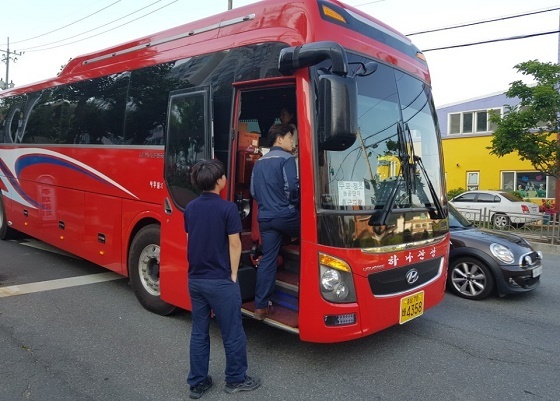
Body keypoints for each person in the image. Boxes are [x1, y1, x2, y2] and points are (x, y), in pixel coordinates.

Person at [184, 159, 261, 399]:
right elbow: (235, 243)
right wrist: (234, 274)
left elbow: (191, 239)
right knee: (232, 332)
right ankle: (236, 379)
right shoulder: (227, 208)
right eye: (224, 176)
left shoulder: (190, 208)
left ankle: (197, 383)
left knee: (199, 331)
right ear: (219, 181)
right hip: (220, 280)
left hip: (196, 279)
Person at [250, 124, 300, 320]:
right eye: (290, 138)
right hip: (285, 216)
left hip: (265, 218)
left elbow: (254, 192)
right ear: (280, 139)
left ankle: (260, 307)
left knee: (268, 260)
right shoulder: (286, 159)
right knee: (317, 235)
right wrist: (289, 206)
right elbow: (292, 189)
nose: (293, 142)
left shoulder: (259, 162)